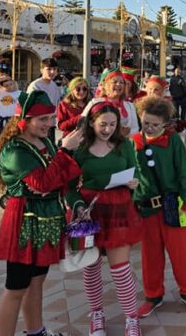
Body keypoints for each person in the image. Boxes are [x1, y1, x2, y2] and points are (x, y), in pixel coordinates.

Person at [0, 91, 84, 336]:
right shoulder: (14, 150)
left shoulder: (46, 142)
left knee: (37, 281)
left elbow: (60, 179)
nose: (49, 124)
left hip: (47, 220)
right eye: (42, 119)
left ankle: (35, 331)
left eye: (51, 118)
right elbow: (43, 183)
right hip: (24, 222)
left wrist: (50, 180)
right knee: (16, 287)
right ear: (25, 120)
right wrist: (65, 152)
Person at [66, 101, 143, 336]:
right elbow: (69, 186)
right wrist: (78, 205)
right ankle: (96, 315)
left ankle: (132, 318)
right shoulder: (79, 149)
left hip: (119, 208)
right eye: (103, 124)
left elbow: (136, 171)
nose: (108, 129)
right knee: (91, 268)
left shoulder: (124, 146)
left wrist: (134, 183)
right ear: (91, 122)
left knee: (120, 269)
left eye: (112, 124)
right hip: (90, 211)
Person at [131, 96, 186, 318]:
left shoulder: (173, 141)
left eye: (155, 124)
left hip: (173, 205)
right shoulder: (133, 142)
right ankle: (153, 296)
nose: (150, 128)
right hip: (146, 209)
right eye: (146, 123)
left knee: (181, 253)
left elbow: (183, 172)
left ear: (165, 123)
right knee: (150, 256)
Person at [96, 70, 140, 137]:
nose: (118, 84)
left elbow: (135, 129)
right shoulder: (96, 103)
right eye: (115, 82)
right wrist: (117, 132)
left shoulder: (130, 106)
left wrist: (128, 133)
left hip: (124, 144)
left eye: (121, 82)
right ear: (106, 85)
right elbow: (86, 125)